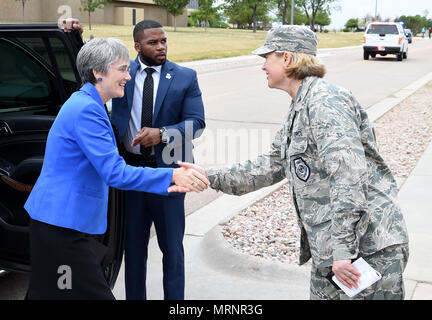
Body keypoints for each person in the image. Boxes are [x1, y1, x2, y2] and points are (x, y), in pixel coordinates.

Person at [185, 25, 409, 300]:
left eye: (267, 57)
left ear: (287, 59)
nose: (263, 66)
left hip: (366, 249)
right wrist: (207, 175)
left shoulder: (325, 102)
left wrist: (342, 251)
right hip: (335, 251)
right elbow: (269, 166)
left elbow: (348, 177)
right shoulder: (301, 104)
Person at [24, 37, 208, 300]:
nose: (128, 77)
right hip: (61, 226)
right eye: (122, 69)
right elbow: (115, 172)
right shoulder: (87, 110)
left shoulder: (89, 102)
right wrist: (173, 174)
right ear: (98, 73)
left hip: (59, 222)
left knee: (48, 293)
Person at [110, 20, 206, 300]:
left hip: (170, 177)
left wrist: (162, 134)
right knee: (134, 250)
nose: (161, 46)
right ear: (137, 46)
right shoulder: (122, 73)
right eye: (153, 42)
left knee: (172, 250)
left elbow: (196, 124)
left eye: (163, 41)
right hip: (132, 174)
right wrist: (73, 34)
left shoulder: (185, 76)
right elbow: (88, 73)